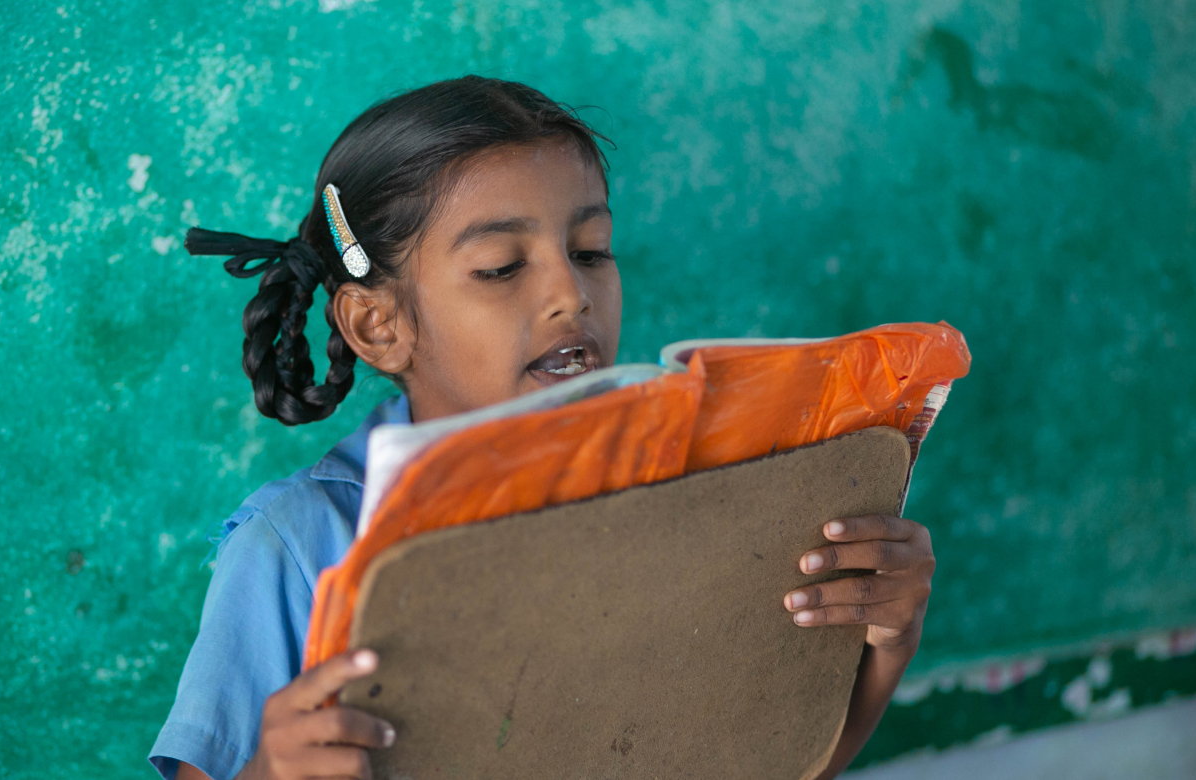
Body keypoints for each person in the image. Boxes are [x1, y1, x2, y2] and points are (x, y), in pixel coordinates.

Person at [149, 75, 936, 780]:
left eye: (591, 250)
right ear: (378, 324)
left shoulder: (687, 492)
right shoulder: (297, 545)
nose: (571, 293)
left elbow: (775, 761)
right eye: (500, 267)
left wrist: (886, 640)